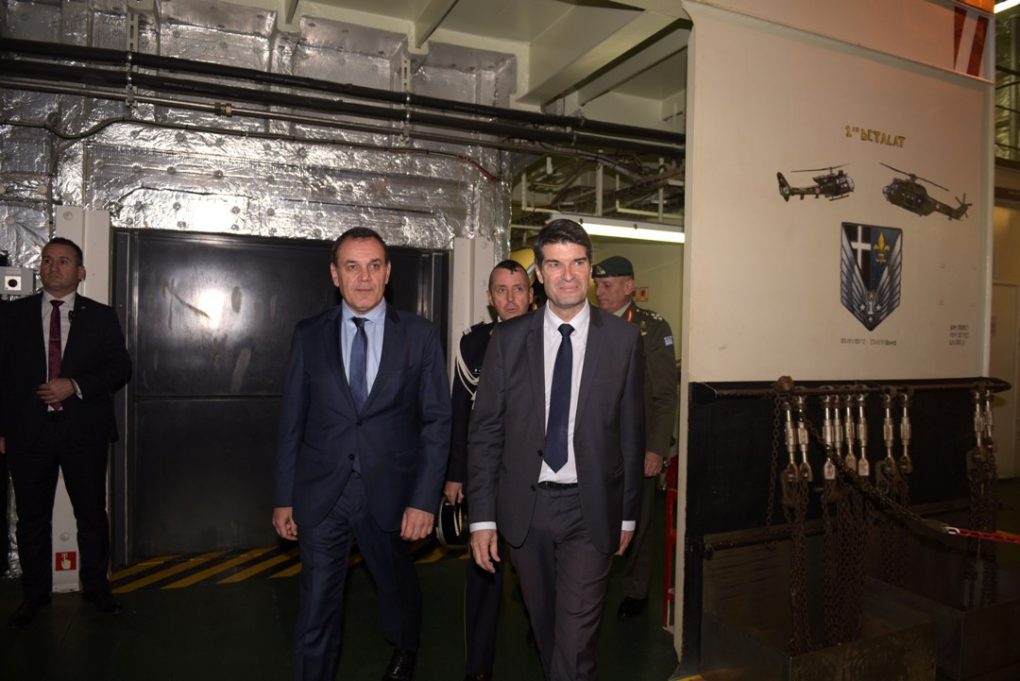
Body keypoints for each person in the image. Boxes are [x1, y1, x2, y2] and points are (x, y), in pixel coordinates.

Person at [467, 219, 644, 681]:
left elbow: (631, 432)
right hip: (527, 509)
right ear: (540, 275)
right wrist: (482, 519)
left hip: (591, 509)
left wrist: (627, 515)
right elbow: (486, 433)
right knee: (546, 629)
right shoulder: (508, 341)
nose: (568, 275)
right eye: (555, 264)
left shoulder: (623, 340)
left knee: (576, 639)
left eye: (578, 263)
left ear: (589, 269)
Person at [273, 227, 451, 681]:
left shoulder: (420, 335)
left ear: (388, 272)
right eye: (352, 266)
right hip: (323, 494)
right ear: (335, 275)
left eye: (374, 266)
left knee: (395, 586)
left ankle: (406, 645)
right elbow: (292, 421)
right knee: (316, 606)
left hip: (391, 493)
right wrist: (284, 496)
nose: (364, 277)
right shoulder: (308, 335)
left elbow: (436, 423)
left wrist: (423, 500)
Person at [0, 237, 132, 627]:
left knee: (91, 514)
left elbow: (120, 368)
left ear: (80, 271)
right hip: (28, 434)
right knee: (31, 519)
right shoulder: (13, 315)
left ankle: (96, 589)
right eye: (47, 260)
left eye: (63, 261)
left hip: (83, 433)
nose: (53, 267)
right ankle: (34, 596)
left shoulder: (101, 316)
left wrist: (73, 385)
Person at [444, 259, 533, 681]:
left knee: (540, 570)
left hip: (538, 478)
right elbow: (459, 412)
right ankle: (478, 665)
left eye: (518, 289)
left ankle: (543, 633)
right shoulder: (474, 344)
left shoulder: (553, 339)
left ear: (531, 295)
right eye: (501, 290)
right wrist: (455, 473)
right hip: (489, 477)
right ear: (489, 297)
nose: (510, 299)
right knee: (484, 572)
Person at [594, 255, 679, 619]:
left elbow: (664, 394)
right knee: (596, 516)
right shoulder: (588, 323)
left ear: (629, 287)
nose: (600, 292)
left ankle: (636, 589)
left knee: (639, 520)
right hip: (597, 444)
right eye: (597, 285)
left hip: (636, 445)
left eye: (607, 285)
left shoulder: (652, 329)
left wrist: (656, 448)